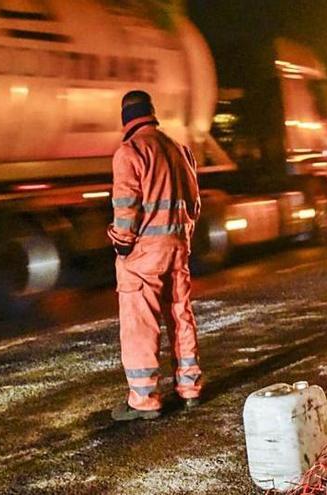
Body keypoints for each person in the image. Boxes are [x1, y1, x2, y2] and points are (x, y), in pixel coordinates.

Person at [108, 90, 203, 421]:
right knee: (180, 315)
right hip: (178, 248)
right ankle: (190, 388)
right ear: (151, 113)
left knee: (140, 324)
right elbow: (195, 204)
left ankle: (145, 399)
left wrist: (122, 243)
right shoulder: (180, 150)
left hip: (143, 256)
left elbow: (126, 207)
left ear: (126, 118)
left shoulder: (130, 152)